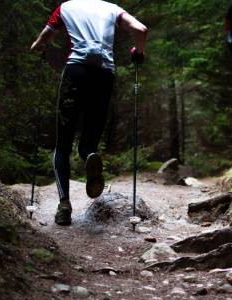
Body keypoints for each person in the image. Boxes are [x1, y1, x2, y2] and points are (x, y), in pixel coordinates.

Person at [31, 0, 148, 226]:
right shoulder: (112, 9)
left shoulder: (66, 8)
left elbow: (45, 38)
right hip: (104, 74)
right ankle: (90, 157)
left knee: (63, 143)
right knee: (89, 142)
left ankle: (64, 206)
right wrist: (139, 52)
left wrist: (38, 46)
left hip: (76, 72)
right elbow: (141, 29)